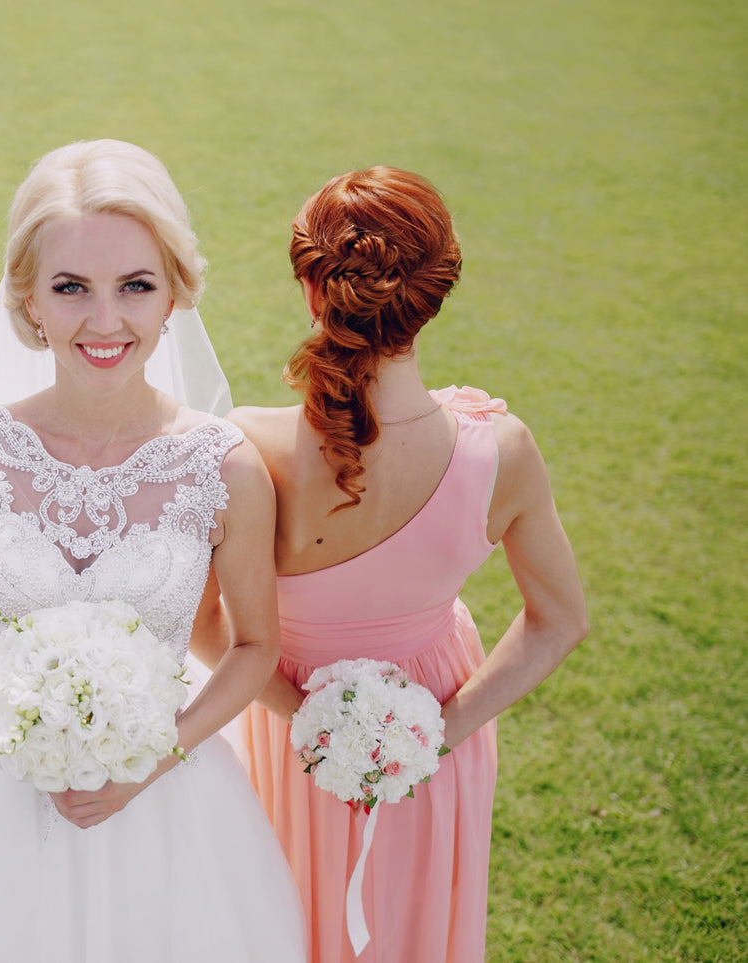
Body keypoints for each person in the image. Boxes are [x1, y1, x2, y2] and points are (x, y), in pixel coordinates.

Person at [0, 140, 306, 963]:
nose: (103, 321)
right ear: (28, 299)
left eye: (134, 286)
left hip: (165, 799)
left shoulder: (224, 468)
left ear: (175, 293)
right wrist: (19, 725)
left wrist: (154, 755)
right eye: (71, 287)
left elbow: (254, 646)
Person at [218, 166, 590, 962]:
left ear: (313, 292)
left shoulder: (242, 446)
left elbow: (205, 625)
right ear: (436, 291)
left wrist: (307, 717)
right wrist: (432, 731)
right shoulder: (501, 449)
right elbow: (559, 619)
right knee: (418, 927)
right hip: (433, 741)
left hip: (288, 733)